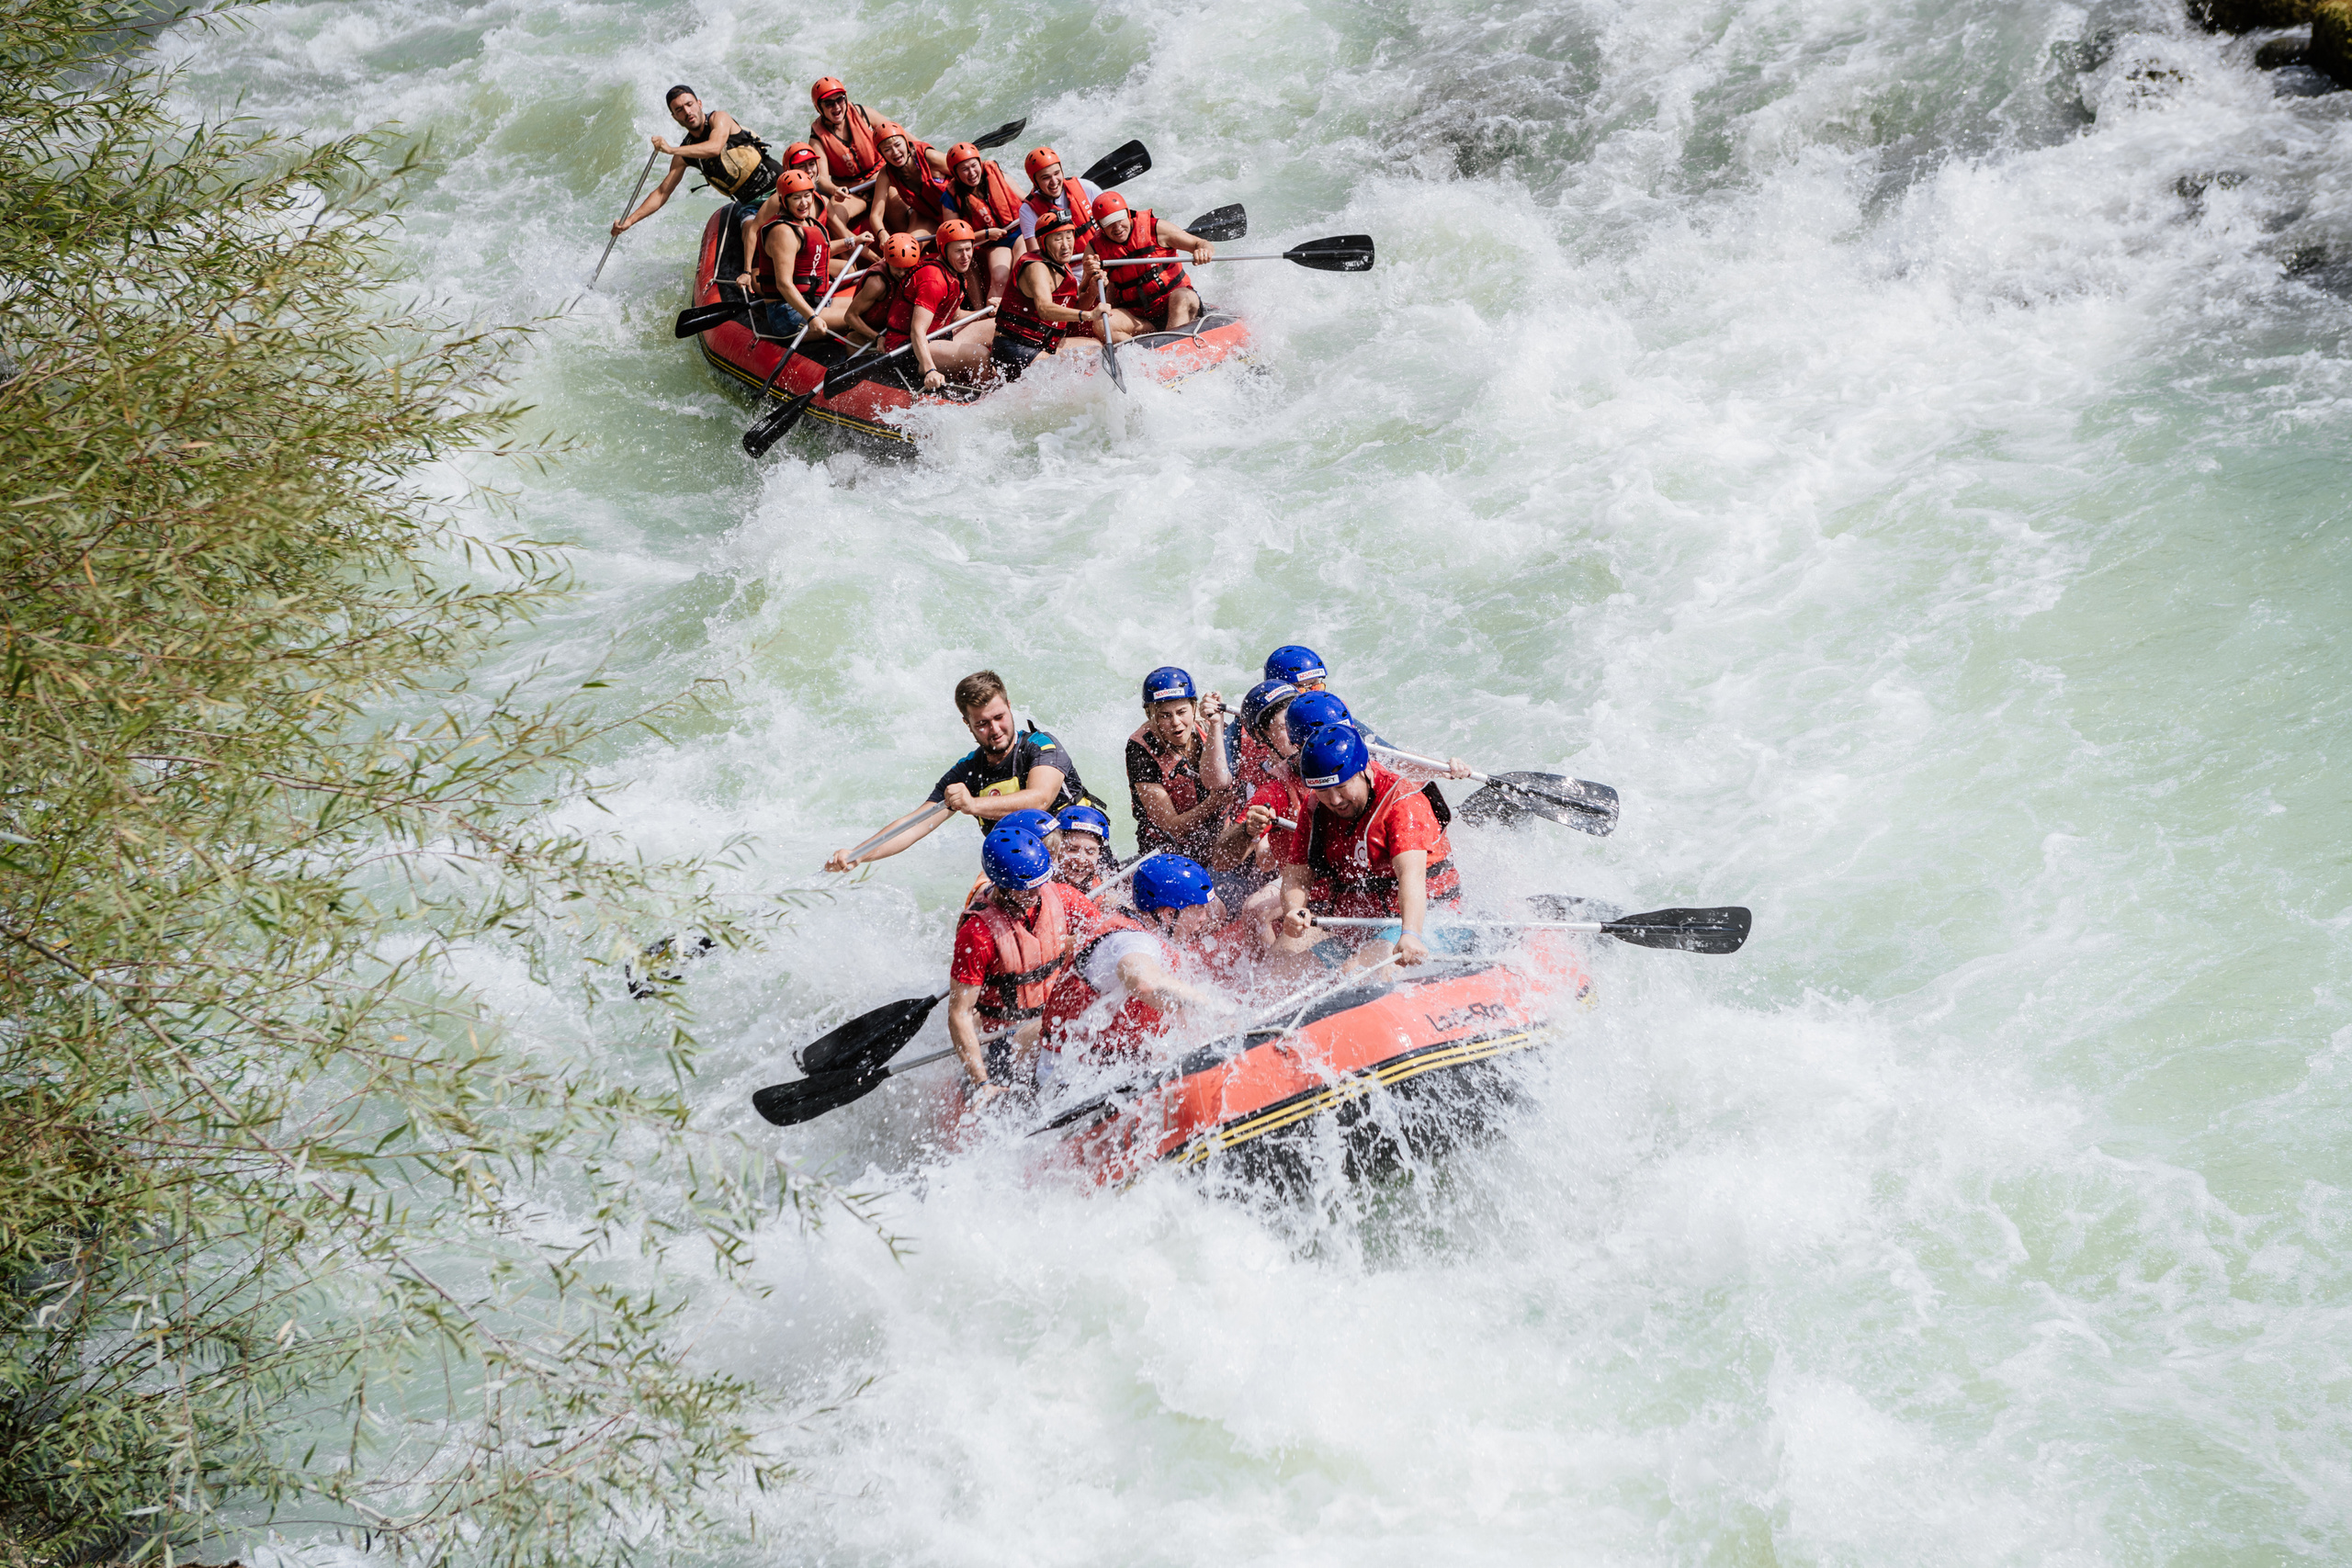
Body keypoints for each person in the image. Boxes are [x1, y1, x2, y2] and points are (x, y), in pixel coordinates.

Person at [824, 671, 1091, 873]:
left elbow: (1040, 799)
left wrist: (973, 804)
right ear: (968, 724)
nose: (995, 730)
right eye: (983, 723)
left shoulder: (1041, 746)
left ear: (1009, 707)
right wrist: (858, 854)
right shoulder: (968, 771)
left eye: (999, 717)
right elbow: (916, 824)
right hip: (1021, 875)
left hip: (1080, 861)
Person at [947, 826, 1128, 1101]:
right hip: (1008, 1040)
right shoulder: (977, 934)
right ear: (1002, 884)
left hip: (1055, 1019)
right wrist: (982, 1082)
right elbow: (960, 1014)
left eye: (1039, 882)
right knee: (1070, 1024)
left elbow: (1106, 936)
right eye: (1026, 887)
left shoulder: (1057, 894)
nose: (1036, 893)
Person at [1275, 724, 1463, 971]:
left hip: (1418, 920)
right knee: (1280, 967)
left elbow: (1412, 877)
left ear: (1365, 770)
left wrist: (1410, 933)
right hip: (1356, 923)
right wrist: (1295, 911)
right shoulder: (1315, 808)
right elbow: (1296, 877)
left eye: (1342, 787)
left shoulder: (1402, 803)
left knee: (1358, 971)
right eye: (1323, 791)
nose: (1335, 800)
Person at [1038, 855, 1236, 1064]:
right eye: (1199, 910)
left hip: (1104, 1062)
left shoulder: (1144, 929)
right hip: (1075, 1074)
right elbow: (1145, 983)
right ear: (1169, 915)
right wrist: (1215, 1007)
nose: (1204, 918)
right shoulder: (1132, 942)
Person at [610, 86, 779, 247]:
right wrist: (630, 221)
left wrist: (670, 149)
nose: (687, 112)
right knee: (750, 234)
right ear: (674, 117)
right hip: (750, 203)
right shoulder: (684, 153)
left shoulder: (719, 119)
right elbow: (662, 192)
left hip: (778, 186)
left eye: (689, 105)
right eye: (679, 110)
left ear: (699, 104)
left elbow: (714, 147)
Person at [838, 233, 989, 387]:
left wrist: (986, 314)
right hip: (867, 337)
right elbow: (850, 317)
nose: (903, 273)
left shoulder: (919, 272)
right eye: (897, 268)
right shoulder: (878, 283)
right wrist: (877, 337)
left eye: (907, 268)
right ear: (888, 261)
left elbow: (953, 316)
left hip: (893, 331)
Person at [1125, 666, 1234, 862]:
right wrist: (1213, 803)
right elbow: (1171, 826)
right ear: (1151, 716)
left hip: (1219, 837)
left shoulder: (1210, 725)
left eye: (1181, 712)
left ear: (1194, 708)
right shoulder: (1140, 749)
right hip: (1168, 848)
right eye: (1165, 715)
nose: (1176, 722)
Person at [989, 211, 1111, 381]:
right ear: (1042, 242)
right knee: (1059, 373)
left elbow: (1073, 310)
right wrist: (1089, 315)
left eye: (1069, 237)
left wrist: (1091, 289)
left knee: (1095, 349)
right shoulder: (1036, 267)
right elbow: (1045, 309)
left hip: (1043, 344)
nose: (1066, 245)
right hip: (1014, 347)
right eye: (1058, 238)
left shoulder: (1062, 265)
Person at [733, 171, 841, 343]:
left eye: (807, 195)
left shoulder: (808, 223)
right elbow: (783, 284)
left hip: (813, 301)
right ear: (784, 200)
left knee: (868, 309)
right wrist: (812, 317)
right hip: (787, 312)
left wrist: (853, 241)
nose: (804, 202)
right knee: (860, 317)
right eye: (796, 198)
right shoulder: (782, 232)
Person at [1089, 191, 1214, 336]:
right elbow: (1084, 291)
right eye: (1109, 223)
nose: (1117, 227)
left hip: (1175, 306)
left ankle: (1170, 345)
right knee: (1102, 324)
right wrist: (1091, 277)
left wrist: (1203, 251)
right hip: (1141, 321)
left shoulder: (1156, 228)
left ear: (1128, 214)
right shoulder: (1094, 250)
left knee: (1182, 297)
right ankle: (1140, 354)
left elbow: (1200, 243)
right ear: (1100, 226)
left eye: (1119, 218)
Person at [941, 141, 1024, 302]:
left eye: (974, 166)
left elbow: (1026, 201)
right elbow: (954, 239)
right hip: (995, 242)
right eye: (965, 169)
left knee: (1021, 266)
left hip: (1020, 230)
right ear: (955, 173)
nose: (972, 173)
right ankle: (993, 319)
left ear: (980, 163)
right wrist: (986, 233)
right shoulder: (950, 197)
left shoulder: (996, 174)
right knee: (999, 280)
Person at [869, 121, 952, 236]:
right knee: (906, 249)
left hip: (955, 209)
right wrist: (881, 233)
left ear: (906, 142)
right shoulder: (886, 174)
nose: (895, 152)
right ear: (882, 154)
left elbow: (968, 177)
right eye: (887, 150)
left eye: (898, 145)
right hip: (928, 219)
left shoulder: (929, 156)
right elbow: (875, 215)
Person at [808, 78, 888, 194]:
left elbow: (900, 136)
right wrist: (836, 190)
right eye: (829, 103)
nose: (836, 107)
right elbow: (822, 179)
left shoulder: (863, 114)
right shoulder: (817, 139)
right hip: (851, 193)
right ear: (819, 108)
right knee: (836, 211)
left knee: (898, 206)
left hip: (881, 181)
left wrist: (923, 150)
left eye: (840, 100)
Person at [1017, 146, 1101, 251]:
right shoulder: (1027, 211)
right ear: (1035, 181)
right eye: (1046, 178)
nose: (1054, 181)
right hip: (1067, 266)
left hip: (1102, 257)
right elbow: (1035, 253)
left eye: (1057, 173)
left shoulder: (1085, 187)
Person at [933, 219, 999, 348]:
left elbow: (955, 316)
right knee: (983, 355)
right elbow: (917, 331)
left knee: (1002, 324)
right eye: (958, 251)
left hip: (943, 335)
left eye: (968, 249)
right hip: (930, 344)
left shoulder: (951, 274)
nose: (965, 256)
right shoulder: (934, 279)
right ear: (943, 251)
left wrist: (987, 313)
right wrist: (929, 368)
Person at [1049, 804, 1118, 894]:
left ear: (1099, 854)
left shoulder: (1103, 881)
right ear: (1057, 848)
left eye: (1090, 852)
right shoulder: (1044, 881)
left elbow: (1114, 901)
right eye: (1072, 850)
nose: (1081, 860)